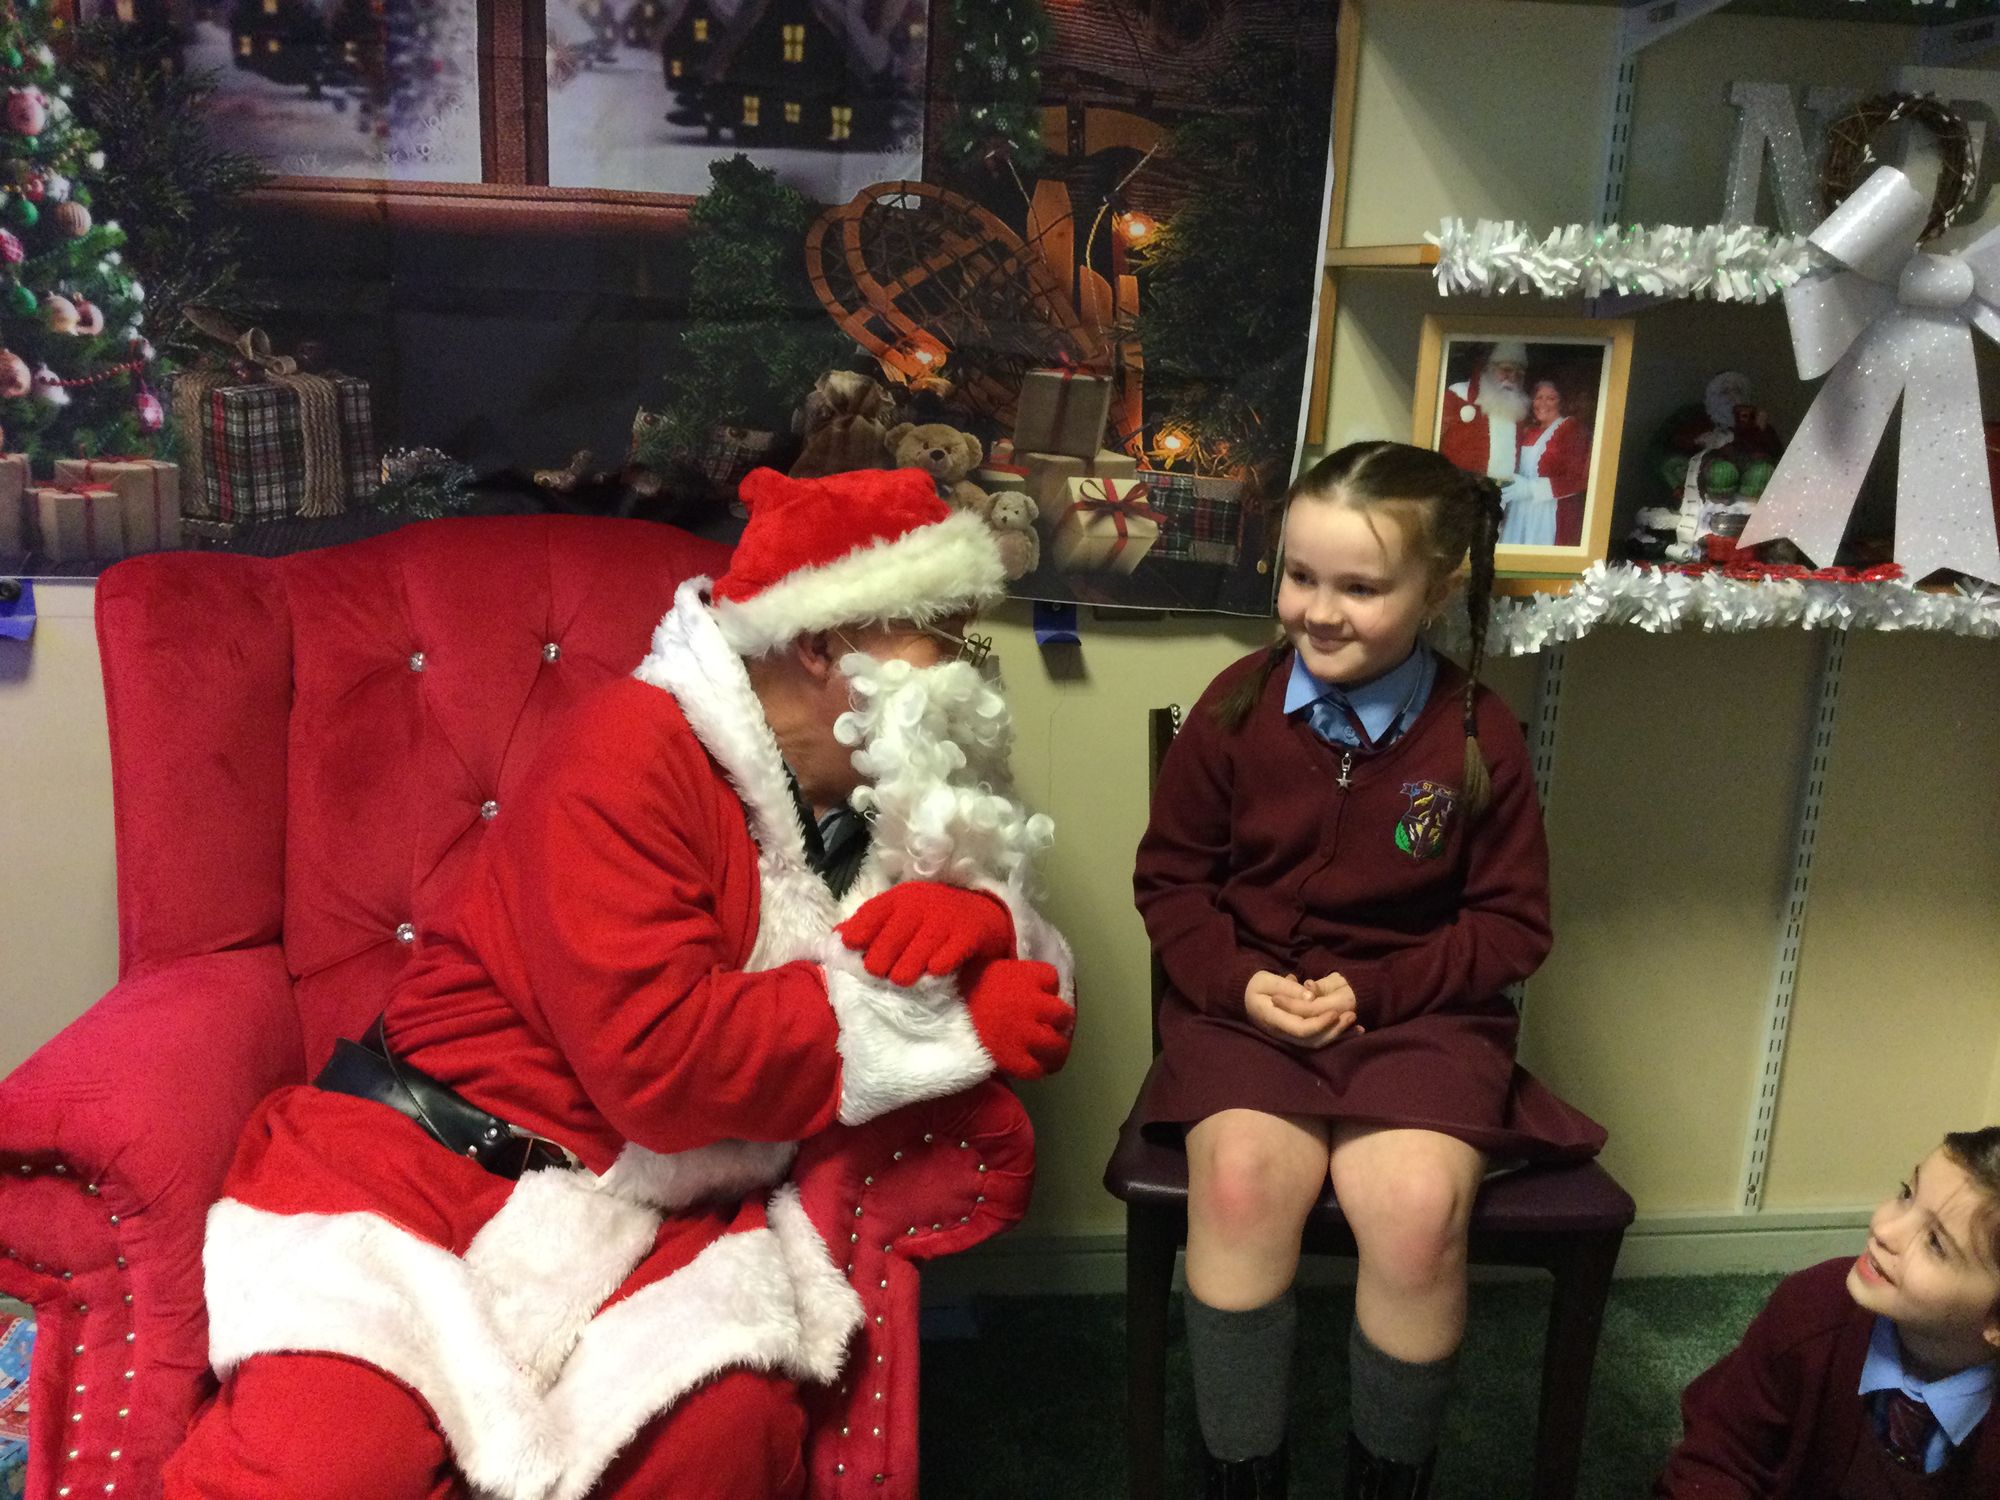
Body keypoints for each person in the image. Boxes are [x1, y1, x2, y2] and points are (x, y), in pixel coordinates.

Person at [162, 465, 1076, 1500]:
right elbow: (663, 1059)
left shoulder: (895, 795)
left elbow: (1037, 978)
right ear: (824, 645)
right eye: (941, 636)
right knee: (325, 1464)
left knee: (721, 1444)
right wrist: (945, 1012)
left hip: (655, 1211)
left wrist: (989, 921)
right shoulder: (629, 748)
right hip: (423, 1172)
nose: (966, 670)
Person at [1129, 441, 1605, 1500]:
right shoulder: (1234, 706)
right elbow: (1172, 884)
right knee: (1239, 1185)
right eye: (1300, 576)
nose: (1319, 611)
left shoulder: (1479, 733)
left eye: (1359, 587)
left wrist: (1379, 993)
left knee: (1417, 1211)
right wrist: (1236, 984)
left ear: (1435, 591)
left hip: (1420, 1018)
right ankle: (1240, 1478)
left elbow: (1511, 925)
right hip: (1245, 1009)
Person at [1656, 1129, 2000, 1498]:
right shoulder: (1813, 1307)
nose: (1884, 1229)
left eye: (1935, 1243)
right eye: (1906, 1194)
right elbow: (1717, 1458)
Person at [1506, 378, 1592, 549]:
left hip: (1549, 513)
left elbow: (1579, 479)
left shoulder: (1571, 429)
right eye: (1538, 397)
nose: (1543, 404)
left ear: (1561, 401)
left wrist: (1531, 489)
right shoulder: (1528, 431)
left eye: (1551, 398)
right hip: (1519, 510)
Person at [1436, 339, 1530, 486]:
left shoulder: (1519, 407)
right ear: (1488, 369)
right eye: (1506, 370)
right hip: (1462, 488)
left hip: (1505, 493)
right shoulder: (1457, 395)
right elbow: (1432, 440)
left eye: (1519, 374)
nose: (1512, 378)